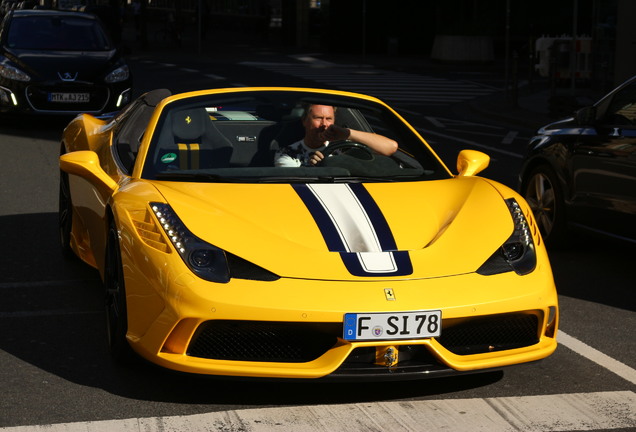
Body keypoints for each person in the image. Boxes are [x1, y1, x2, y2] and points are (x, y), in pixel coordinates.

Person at [274, 104, 398, 167]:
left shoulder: (345, 146)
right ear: (304, 121)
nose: (324, 124)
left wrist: (347, 134)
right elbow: (292, 187)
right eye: (318, 118)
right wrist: (315, 168)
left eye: (329, 119)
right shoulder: (287, 152)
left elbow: (391, 147)